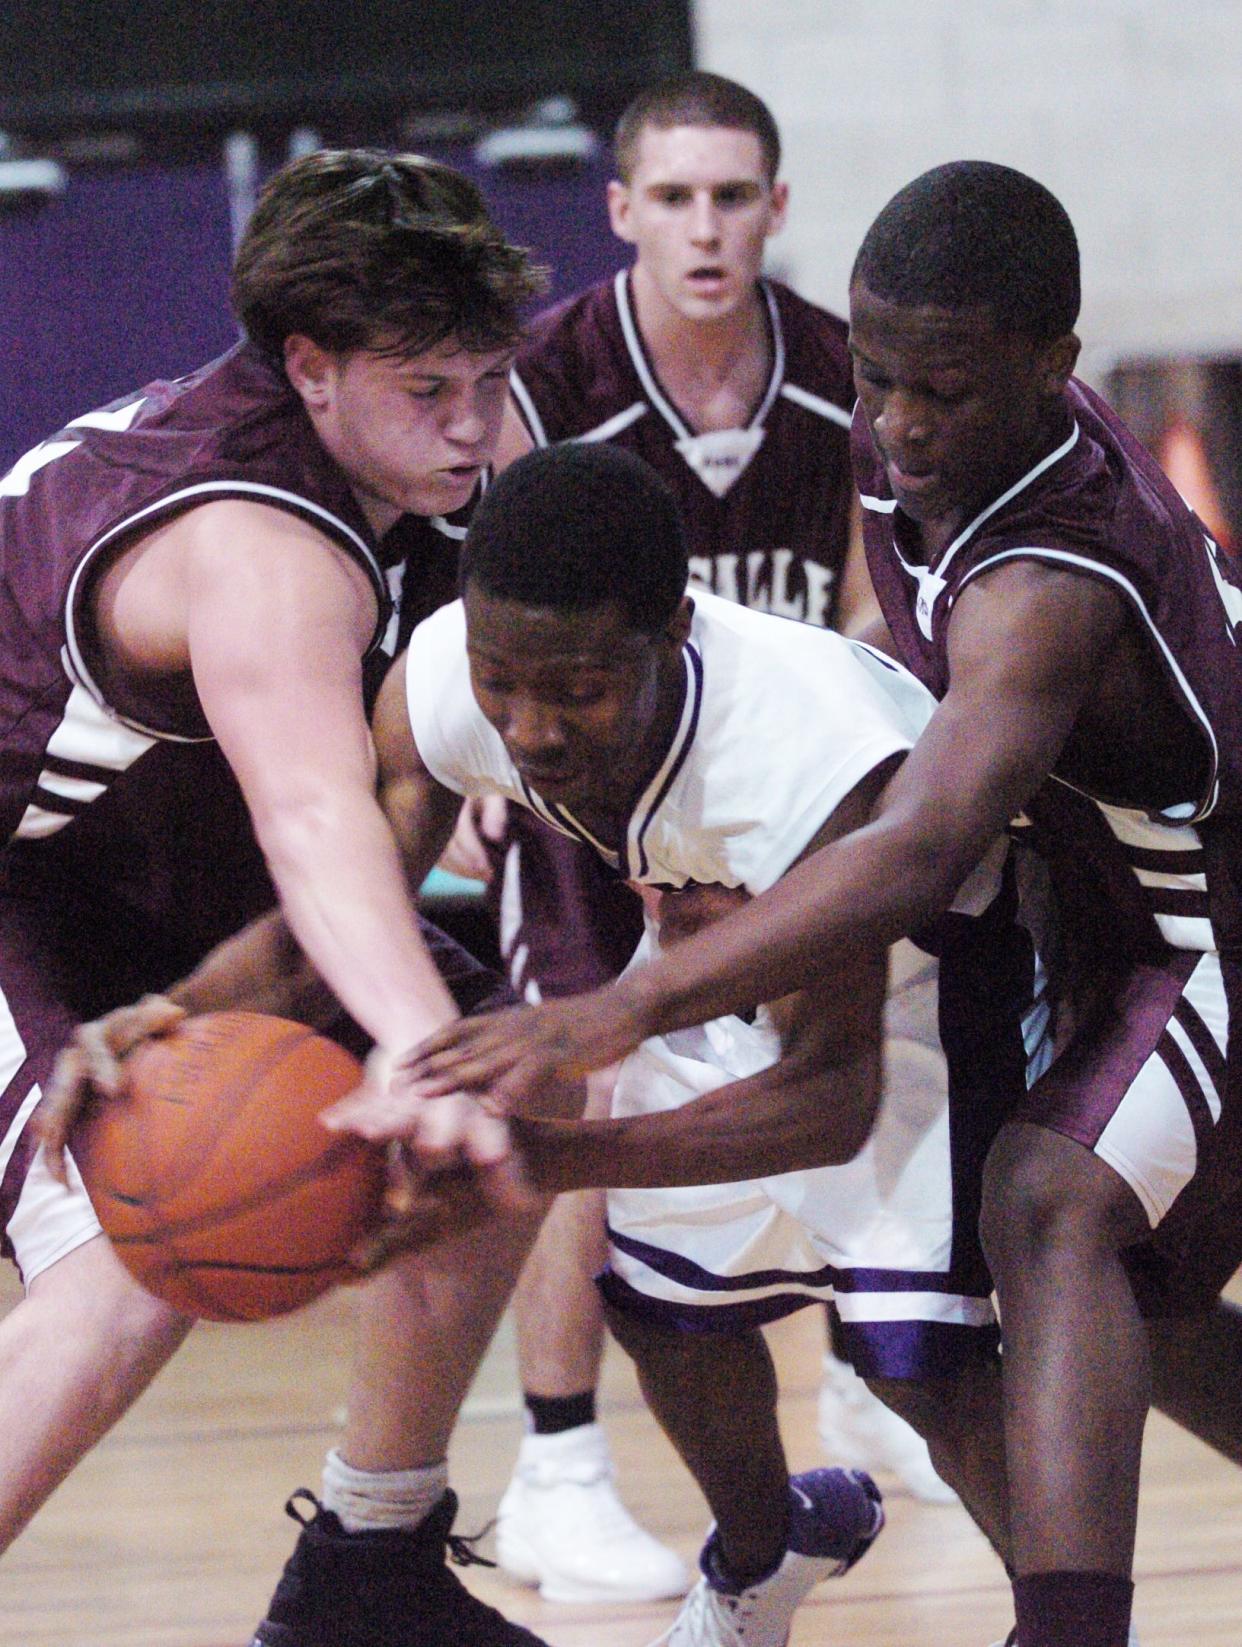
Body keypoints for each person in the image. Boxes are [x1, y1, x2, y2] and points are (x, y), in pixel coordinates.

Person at [406, 162, 1242, 1647]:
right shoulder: (904, 448)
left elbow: (920, 845)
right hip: (1111, 903)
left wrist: (632, 998)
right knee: (1153, 1312)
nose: (901, 422)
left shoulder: (1051, 570)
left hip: (1208, 913)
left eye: (946, 389)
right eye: (876, 376)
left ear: (1054, 367)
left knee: (1046, 1203)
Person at [56, 440, 1022, 1642]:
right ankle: (764, 1558)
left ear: (671, 629)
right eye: (503, 680)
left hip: (937, 986)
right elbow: (332, 930)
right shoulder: (452, 682)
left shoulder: (801, 747)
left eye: (573, 690)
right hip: (705, 967)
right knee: (665, 1308)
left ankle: (1075, 1613)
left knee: (918, 1365)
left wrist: (546, 1159)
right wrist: (182, 1014)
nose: (531, 728)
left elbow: (826, 1097)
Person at [1, 145, 564, 1646]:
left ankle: (367, 1567)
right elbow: (317, 818)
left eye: (485, 377)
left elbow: (389, 795)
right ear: (309, 369)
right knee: (142, 1246)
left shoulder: (454, 465)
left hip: (140, 884)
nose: (471, 425)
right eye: (427, 391)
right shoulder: (255, 534)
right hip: (22, 889)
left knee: (509, 1067)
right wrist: (398, 1036)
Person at [458, 71, 946, 1601]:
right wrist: (490, 764)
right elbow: (487, 596)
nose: (705, 226)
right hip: (598, 796)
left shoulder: (837, 375)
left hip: (776, 790)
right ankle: (554, 1465)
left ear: (776, 210)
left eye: (732, 195)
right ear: (617, 213)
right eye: (672, 197)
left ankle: (871, 1370)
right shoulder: (550, 378)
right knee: (578, 1072)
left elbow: (883, 598)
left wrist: (840, 747)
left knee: (840, 1070)